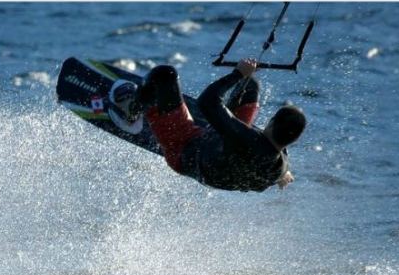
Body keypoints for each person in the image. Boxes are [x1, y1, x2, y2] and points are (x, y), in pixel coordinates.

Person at [110, 58, 304, 192]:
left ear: (271, 123)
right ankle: (220, 121)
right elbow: (267, 165)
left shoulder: (247, 138)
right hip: (223, 158)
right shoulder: (280, 165)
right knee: (250, 86)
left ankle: (131, 111)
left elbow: (206, 102)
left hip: (185, 150)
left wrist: (237, 74)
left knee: (164, 74)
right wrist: (282, 175)